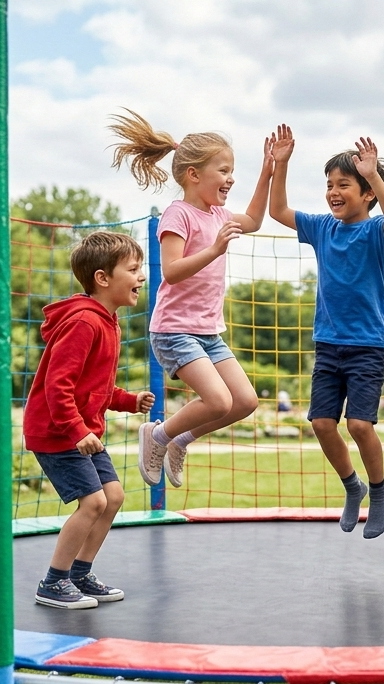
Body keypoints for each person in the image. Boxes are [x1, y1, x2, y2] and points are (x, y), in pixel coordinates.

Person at [110, 110, 271, 489]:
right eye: (223, 170)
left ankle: (181, 439)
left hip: (208, 332)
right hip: (174, 330)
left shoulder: (220, 214)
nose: (231, 179)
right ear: (194, 174)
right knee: (217, 400)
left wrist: (268, 170)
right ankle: (159, 436)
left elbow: (255, 219)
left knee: (245, 401)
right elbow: (171, 271)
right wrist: (214, 250)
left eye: (233, 171)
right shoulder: (177, 214)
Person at [269, 124, 384, 538]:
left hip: (366, 346)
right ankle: (353, 485)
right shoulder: (322, 228)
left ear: (366, 194)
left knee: (360, 426)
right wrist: (282, 165)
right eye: (329, 184)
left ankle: (379, 492)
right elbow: (277, 211)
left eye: (344, 184)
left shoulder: (374, 232)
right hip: (329, 345)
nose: (333, 191)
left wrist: (374, 174)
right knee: (322, 423)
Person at [23, 232, 156, 610]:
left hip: (82, 432)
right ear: (103, 278)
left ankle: (80, 573)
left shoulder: (107, 323)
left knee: (113, 497)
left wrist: (129, 401)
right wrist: (77, 430)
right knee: (93, 502)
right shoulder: (84, 321)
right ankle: (53, 581)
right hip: (57, 430)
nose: (140, 277)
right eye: (132, 269)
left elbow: (96, 388)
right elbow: (57, 384)